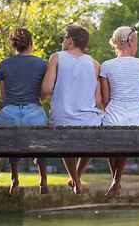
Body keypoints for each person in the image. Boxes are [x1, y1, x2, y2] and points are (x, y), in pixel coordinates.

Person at [40, 25, 102, 195]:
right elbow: (97, 100)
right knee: (95, 126)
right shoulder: (95, 64)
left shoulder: (57, 57)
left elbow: (45, 89)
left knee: (64, 134)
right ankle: (77, 176)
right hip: (88, 121)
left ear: (70, 40)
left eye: (63, 39)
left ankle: (75, 179)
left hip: (63, 119)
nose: (62, 42)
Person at [0, 28, 49, 196]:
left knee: (13, 142)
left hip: (8, 113)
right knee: (42, 140)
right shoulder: (42, 64)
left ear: (13, 46)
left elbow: (3, 95)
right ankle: (43, 179)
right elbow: (42, 96)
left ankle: (14, 178)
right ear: (31, 43)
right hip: (33, 112)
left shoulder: (4, 64)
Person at [100, 26, 139, 198]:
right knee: (126, 133)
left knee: (112, 130)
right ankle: (117, 180)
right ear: (130, 42)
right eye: (136, 42)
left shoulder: (106, 66)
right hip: (137, 119)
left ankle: (116, 180)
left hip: (113, 117)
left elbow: (105, 101)